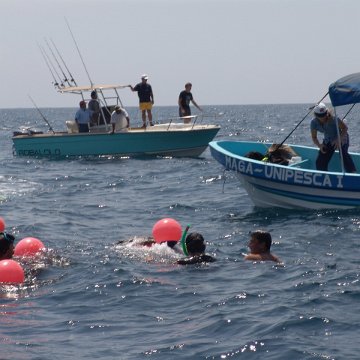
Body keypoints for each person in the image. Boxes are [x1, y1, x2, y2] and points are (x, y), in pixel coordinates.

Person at [310, 102, 356, 172]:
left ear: (327, 112)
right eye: (320, 115)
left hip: (341, 136)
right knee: (320, 161)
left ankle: (352, 173)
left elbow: (345, 128)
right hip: (328, 139)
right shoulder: (313, 123)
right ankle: (324, 176)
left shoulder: (334, 119)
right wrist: (320, 145)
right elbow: (314, 137)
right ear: (315, 115)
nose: (323, 117)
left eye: (324, 114)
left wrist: (338, 140)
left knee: (343, 154)